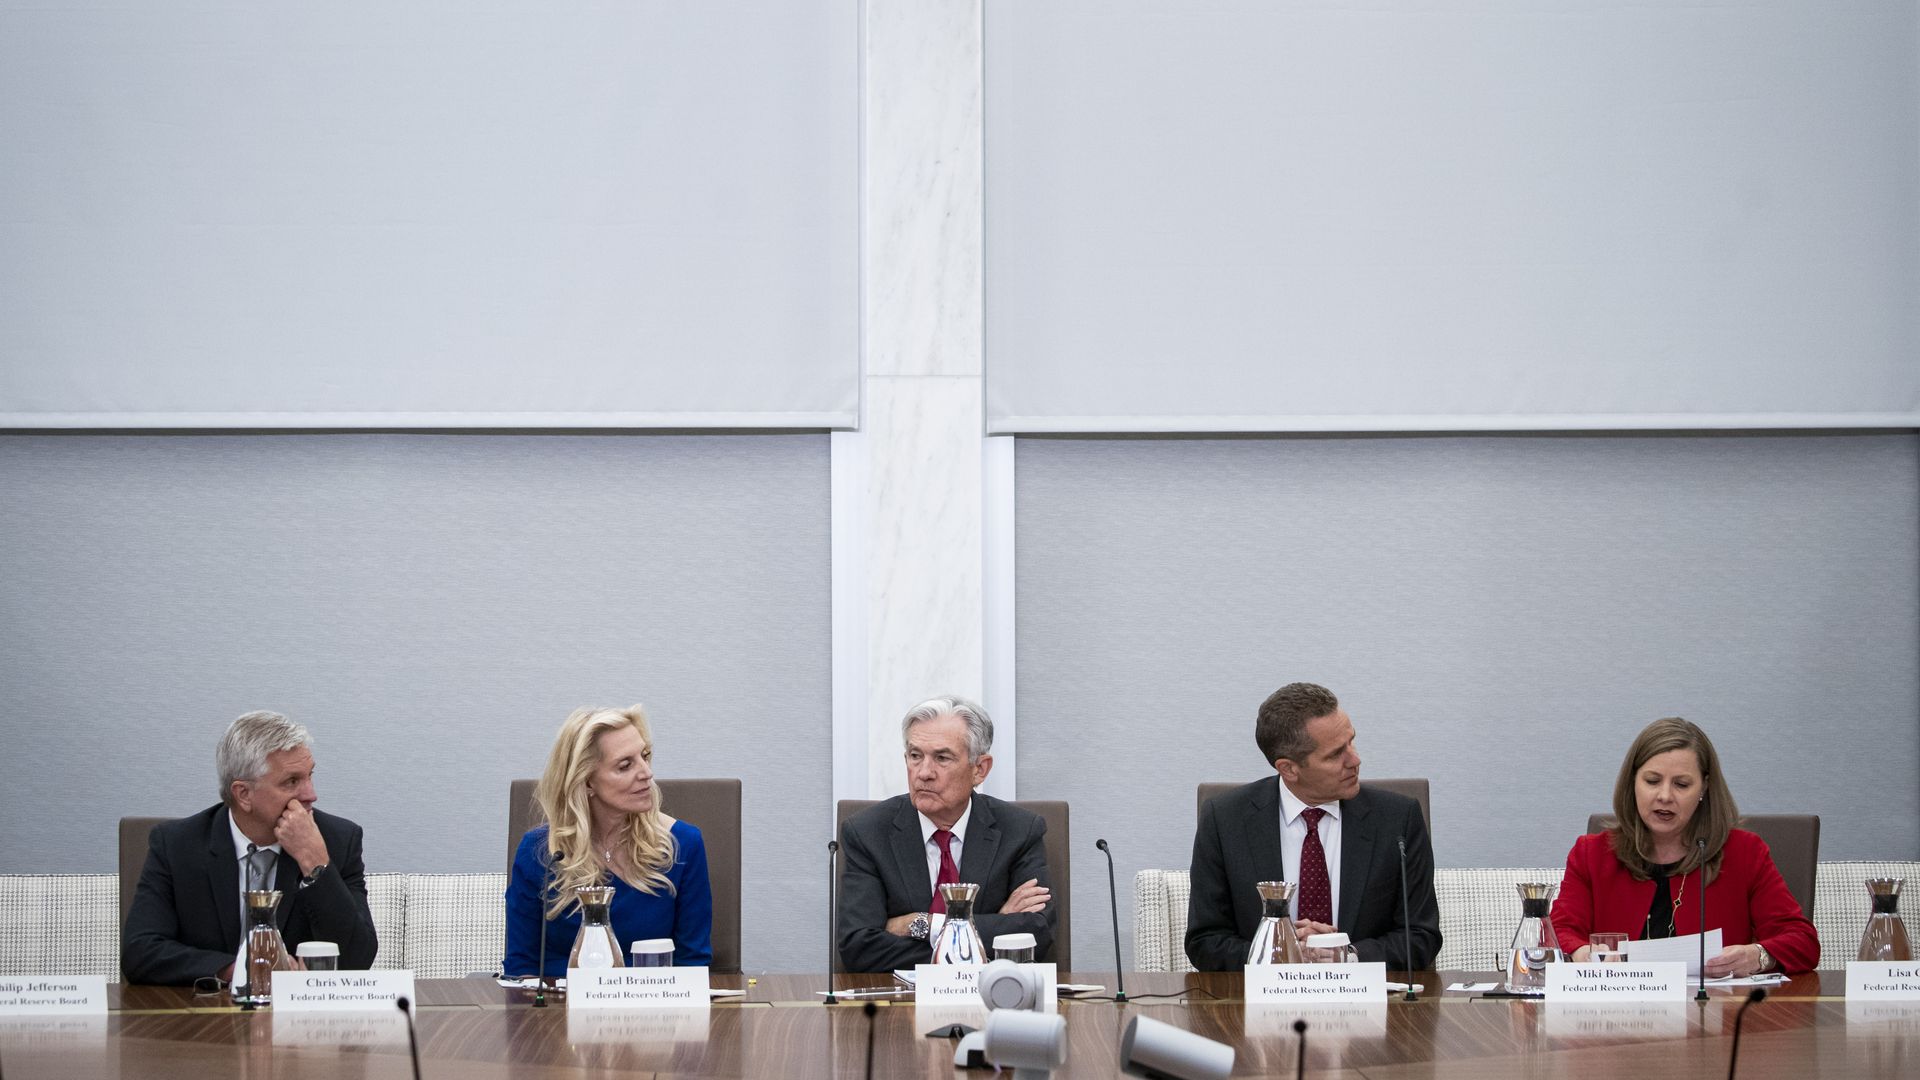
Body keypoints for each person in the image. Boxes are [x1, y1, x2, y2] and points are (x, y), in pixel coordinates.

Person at [1186, 682, 1441, 972]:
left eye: (1351, 742)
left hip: (1372, 1005)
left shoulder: (1398, 819)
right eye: (1335, 754)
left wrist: (1348, 955)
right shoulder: (1225, 820)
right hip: (1259, 1006)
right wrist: (1282, 954)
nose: (1355, 760)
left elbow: (1422, 937)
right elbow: (1204, 941)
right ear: (1289, 769)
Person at [122, 711, 378, 985]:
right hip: (205, 1016)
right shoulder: (177, 845)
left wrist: (315, 865)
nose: (310, 794)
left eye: (309, 776)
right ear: (243, 794)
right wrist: (237, 970)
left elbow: (357, 960)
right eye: (292, 782)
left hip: (297, 1020)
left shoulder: (338, 840)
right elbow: (140, 951)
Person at [1550, 717, 1818, 974]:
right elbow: (1556, 934)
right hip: (1618, 1015)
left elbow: (1803, 942)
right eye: (1652, 781)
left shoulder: (1745, 853)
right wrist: (1582, 954)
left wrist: (1758, 955)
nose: (1665, 796)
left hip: (1715, 1015)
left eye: (1681, 784)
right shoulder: (1592, 854)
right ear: (1633, 782)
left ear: (1704, 788)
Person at [837, 696, 1053, 973]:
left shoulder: (1019, 831)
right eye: (915, 756)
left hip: (992, 1000)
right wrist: (992, 926)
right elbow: (859, 947)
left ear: (980, 769)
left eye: (942, 758)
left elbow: (1037, 932)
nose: (924, 773)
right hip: (896, 1005)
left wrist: (924, 924)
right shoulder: (868, 832)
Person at [504, 705, 712, 976]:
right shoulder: (540, 852)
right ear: (586, 780)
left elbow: (693, 965)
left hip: (655, 1011)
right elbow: (521, 968)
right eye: (625, 765)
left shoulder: (682, 845)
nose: (646, 773)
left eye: (645, 756)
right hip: (559, 1011)